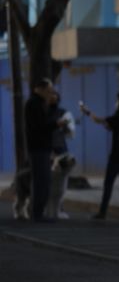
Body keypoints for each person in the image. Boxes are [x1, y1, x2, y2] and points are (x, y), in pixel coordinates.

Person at [82, 91, 119, 221]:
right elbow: (111, 126)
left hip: (116, 156)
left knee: (108, 184)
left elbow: (100, 120)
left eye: (118, 100)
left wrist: (87, 112)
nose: (116, 103)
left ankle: (102, 212)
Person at [25, 79, 65, 222]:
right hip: (38, 147)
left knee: (44, 180)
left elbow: (46, 122)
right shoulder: (34, 104)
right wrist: (57, 123)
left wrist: (53, 107)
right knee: (41, 180)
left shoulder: (39, 103)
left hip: (42, 147)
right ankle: (37, 213)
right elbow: (41, 126)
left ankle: (38, 212)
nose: (51, 93)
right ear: (40, 89)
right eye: (49, 90)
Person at [47, 91, 76, 219]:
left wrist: (65, 127)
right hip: (46, 149)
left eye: (55, 96)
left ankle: (59, 207)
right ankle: (46, 208)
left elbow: (70, 133)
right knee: (46, 180)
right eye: (50, 96)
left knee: (61, 181)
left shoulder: (64, 112)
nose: (53, 98)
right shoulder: (42, 111)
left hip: (60, 149)